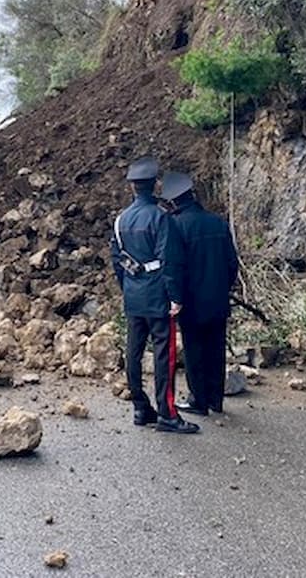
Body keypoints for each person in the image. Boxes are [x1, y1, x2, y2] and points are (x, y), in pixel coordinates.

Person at [110, 157, 199, 434]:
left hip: (133, 295)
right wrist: (175, 296)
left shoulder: (121, 219)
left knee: (134, 353)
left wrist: (127, 287)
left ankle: (140, 407)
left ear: (133, 188)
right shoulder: (161, 217)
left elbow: (117, 259)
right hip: (158, 294)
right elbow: (168, 260)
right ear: (154, 185)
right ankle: (167, 414)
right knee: (164, 356)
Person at [159, 171, 239, 416]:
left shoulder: (175, 225)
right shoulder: (218, 222)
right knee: (216, 348)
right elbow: (231, 263)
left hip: (191, 302)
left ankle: (198, 400)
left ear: (173, 201)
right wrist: (223, 288)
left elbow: (173, 266)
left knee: (194, 350)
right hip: (217, 300)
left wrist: (175, 298)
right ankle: (216, 400)